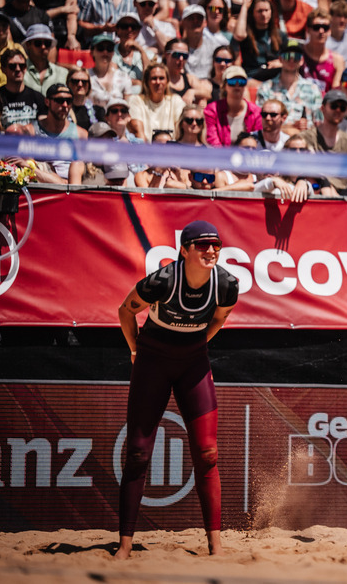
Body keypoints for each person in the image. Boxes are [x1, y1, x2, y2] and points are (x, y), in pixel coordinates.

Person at [115, 219, 238, 560]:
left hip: (193, 363)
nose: (211, 250)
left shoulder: (227, 285)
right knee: (138, 454)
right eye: (202, 244)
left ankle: (215, 547)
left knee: (208, 454)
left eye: (216, 244)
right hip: (152, 361)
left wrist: (194, 345)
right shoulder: (162, 281)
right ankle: (124, 546)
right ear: (184, 250)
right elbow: (125, 311)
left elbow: (219, 320)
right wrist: (136, 349)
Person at [299, 88, 347, 194]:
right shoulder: (306, 137)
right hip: (316, 188)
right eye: (334, 106)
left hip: (343, 192)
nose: (338, 110)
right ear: (322, 108)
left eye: (342, 108)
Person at [255, 39, 323, 132]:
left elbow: (320, 124)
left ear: (302, 60)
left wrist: (306, 127)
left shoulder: (313, 89)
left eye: (296, 56)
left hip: (304, 140)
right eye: (287, 56)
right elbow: (260, 123)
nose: (291, 60)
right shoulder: (266, 89)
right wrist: (290, 128)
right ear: (280, 59)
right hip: (274, 141)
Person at [204, 65, 261, 146]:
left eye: (242, 82)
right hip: (219, 157)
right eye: (232, 82)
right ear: (224, 86)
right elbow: (212, 140)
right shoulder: (212, 110)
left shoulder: (256, 112)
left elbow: (257, 141)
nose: (237, 85)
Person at [0, 49, 46, 134]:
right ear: (3, 69)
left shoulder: (38, 97)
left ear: (26, 68)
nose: (18, 69)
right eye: (12, 66)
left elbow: (44, 129)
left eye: (22, 65)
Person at [129, 62, 184, 136]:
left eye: (161, 78)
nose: (158, 82)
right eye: (154, 78)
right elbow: (138, 133)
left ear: (167, 81)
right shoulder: (136, 101)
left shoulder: (176, 101)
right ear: (146, 82)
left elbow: (181, 131)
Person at [300, 7, 343, 92]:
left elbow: (335, 91)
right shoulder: (299, 54)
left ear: (329, 31)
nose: (321, 31)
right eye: (316, 27)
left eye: (325, 27)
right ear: (308, 30)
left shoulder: (337, 60)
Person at [22, 23, 69, 96]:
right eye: (38, 43)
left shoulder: (63, 73)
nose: (43, 47)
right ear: (28, 45)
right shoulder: (18, 71)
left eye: (47, 43)